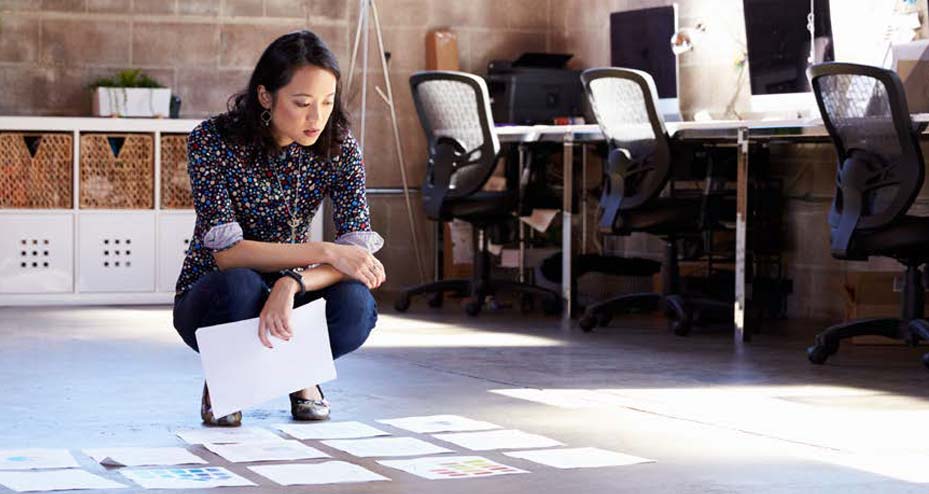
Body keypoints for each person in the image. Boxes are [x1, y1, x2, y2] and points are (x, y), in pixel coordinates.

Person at [172, 30, 385, 427]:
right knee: (242, 286)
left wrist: (292, 283)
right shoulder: (212, 141)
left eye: (327, 102)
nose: (316, 118)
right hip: (217, 291)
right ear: (266, 96)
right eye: (302, 103)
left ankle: (300, 374)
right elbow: (229, 254)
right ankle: (226, 376)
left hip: (294, 290)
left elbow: (355, 254)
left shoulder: (339, 146)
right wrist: (324, 250)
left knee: (356, 306)